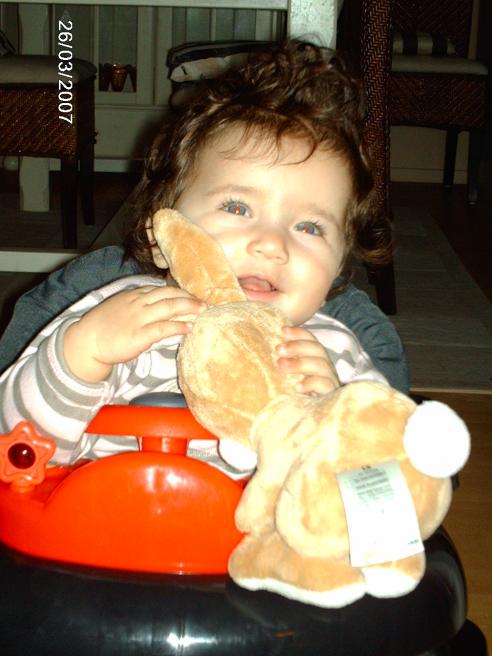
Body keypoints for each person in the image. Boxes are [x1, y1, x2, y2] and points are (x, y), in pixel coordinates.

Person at [0, 40, 408, 470]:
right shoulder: (116, 316)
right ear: (161, 235)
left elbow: (387, 487)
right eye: (237, 208)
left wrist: (335, 418)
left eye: (309, 227)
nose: (272, 244)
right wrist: (83, 355)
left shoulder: (336, 355)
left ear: (338, 265)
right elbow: (14, 446)